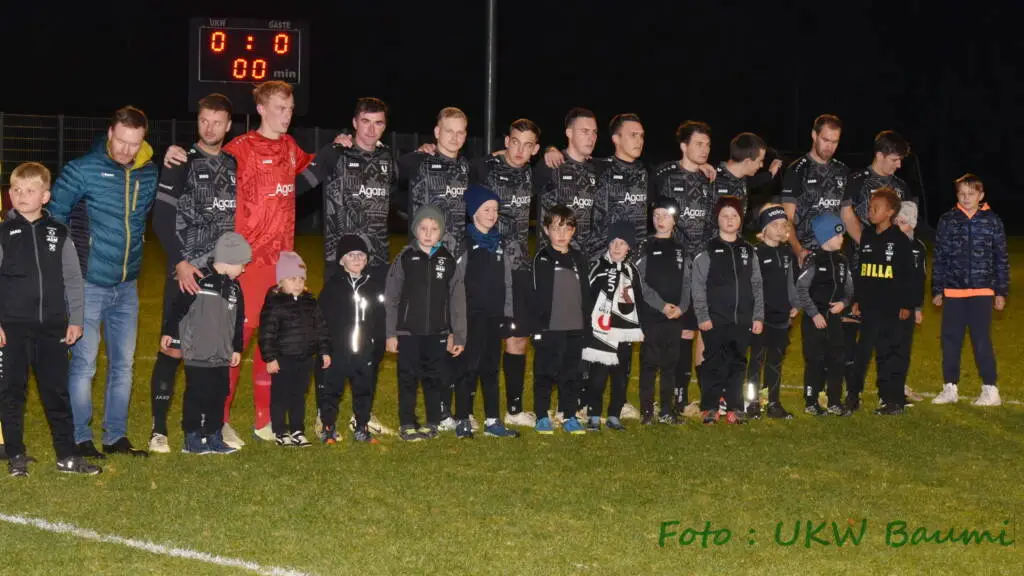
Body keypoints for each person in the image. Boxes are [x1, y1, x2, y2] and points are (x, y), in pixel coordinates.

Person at [165, 81, 319, 442]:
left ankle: (264, 419)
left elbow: (315, 168)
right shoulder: (240, 149)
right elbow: (205, 156)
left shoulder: (291, 148)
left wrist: (341, 144)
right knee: (234, 343)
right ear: (261, 109)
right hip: (247, 265)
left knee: (273, 342)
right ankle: (219, 419)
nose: (287, 114)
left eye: (290, 108)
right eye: (279, 107)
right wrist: (176, 152)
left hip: (281, 265)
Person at [49, 105, 159, 458]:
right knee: (84, 365)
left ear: (143, 140)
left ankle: (116, 438)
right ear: (110, 133)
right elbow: (53, 218)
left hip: (127, 286)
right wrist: (69, 264)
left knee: (123, 366)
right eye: (122, 141)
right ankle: (80, 438)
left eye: (135, 143)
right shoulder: (81, 170)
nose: (127, 150)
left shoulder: (148, 172)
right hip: (88, 284)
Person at [300, 97, 396, 437]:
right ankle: (323, 414)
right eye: (365, 121)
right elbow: (298, 184)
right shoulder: (335, 154)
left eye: (379, 123)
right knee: (332, 342)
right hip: (338, 264)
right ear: (354, 123)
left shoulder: (388, 158)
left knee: (372, 343)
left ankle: (362, 415)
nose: (371, 129)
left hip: (377, 265)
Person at [148, 93, 239, 453]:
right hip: (187, 273)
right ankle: (158, 430)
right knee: (173, 350)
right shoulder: (180, 161)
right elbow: (161, 218)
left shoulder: (235, 164)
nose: (210, 128)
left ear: (228, 125)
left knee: (213, 355)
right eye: (204, 120)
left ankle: (206, 429)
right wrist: (180, 262)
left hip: (221, 280)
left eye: (217, 122)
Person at [0, 162, 99, 476]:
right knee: (12, 392)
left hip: (53, 327)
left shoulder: (59, 232)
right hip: (12, 329)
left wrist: (76, 319)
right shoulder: (3, 233)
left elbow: (73, 278)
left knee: (56, 392)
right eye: (16, 189)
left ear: (45, 196)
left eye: (30, 190)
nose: (22, 195)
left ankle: (67, 455)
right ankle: (15, 455)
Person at [470, 119, 539, 431]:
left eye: (528, 145)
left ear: (535, 149)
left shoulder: (533, 172)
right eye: (516, 142)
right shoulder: (483, 168)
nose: (520, 150)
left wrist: (554, 150)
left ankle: (513, 409)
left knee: (518, 338)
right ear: (507, 141)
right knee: (478, 341)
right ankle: (466, 411)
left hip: (519, 267)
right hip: (487, 267)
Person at [837, 130, 915, 401]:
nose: (899, 165)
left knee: (889, 335)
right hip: (859, 265)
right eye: (895, 159)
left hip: (890, 275)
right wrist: (868, 243)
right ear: (880, 155)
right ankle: (850, 386)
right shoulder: (857, 180)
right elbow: (846, 213)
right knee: (852, 329)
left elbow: (909, 224)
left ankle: (891, 388)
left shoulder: (901, 187)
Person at [650, 120, 717, 418]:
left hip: (699, 270)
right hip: (670, 266)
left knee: (692, 331)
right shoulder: (664, 174)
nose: (705, 149)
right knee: (670, 332)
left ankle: (685, 396)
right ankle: (666, 396)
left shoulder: (710, 179)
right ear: (683, 146)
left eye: (708, 144)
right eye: (698, 144)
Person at [161, 232, 250, 454]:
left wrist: (237, 348)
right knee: (197, 394)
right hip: (198, 351)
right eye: (242, 264)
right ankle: (192, 438)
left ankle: (214, 436)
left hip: (222, 354)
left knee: (218, 395)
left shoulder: (235, 288)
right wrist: (168, 332)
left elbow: (238, 321)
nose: (244, 270)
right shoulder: (199, 279)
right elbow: (178, 308)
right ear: (229, 260)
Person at [385, 205, 467, 441]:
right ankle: (407, 424)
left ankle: (432, 423)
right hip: (408, 332)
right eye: (423, 228)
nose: (428, 233)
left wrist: (458, 334)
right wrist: (391, 333)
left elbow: (457, 300)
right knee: (408, 378)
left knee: (434, 379)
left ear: (441, 232)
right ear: (415, 230)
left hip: (437, 333)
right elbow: (391, 297)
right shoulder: (405, 257)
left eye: (434, 229)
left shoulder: (448, 260)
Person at [450, 185, 524, 439]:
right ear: (473, 213)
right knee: (467, 368)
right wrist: (455, 321)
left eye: (495, 210)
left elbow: (506, 281)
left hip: (494, 317)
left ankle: (493, 420)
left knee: (491, 368)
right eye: (486, 210)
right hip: (470, 317)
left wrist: (507, 313)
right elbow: (455, 284)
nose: (492, 215)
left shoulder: (500, 243)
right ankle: (462, 419)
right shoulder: (464, 243)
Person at [931, 174, 1009, 407]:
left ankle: (990, 389)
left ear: (981, 195)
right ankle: (950, 387)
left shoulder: (992, 221)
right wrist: (937, 289)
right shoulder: (948, 220)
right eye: (962, 194)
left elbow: (1001, 258)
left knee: (981, 339)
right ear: (957, 195)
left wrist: (1001, 291)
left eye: (971, 194)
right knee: (950, 340)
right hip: (953, 291)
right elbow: (940, 256)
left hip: (983, 290)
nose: (966, 198)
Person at [690, 197, 764, 425]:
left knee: (737, 363)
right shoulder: (708, 250)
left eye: (734, 216)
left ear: (740, 219)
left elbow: (757, 284)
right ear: (717, 219)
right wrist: (703, 316)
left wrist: (758, 315)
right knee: (713, 362)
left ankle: (735, 408)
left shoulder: (748, 250)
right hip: (715, 319)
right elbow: (698, 285)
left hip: (742, 319)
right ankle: (710, 407)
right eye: (725, 216)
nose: (730, 220)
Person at [850, 189, 916, 415]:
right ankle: (853, 396)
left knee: (888, 354)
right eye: (870, 208)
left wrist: (907, 304)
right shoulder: (867, 236)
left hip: (891, 310)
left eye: (875, 208)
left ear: (890, 212)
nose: (870, 212)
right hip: (870, 308)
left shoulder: (900, 241)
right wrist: (857, 299)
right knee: (862, 353)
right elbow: (862, 270)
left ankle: (891, 399)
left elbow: (909, 276)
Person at [258, 251, 332, 447]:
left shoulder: (310, 302)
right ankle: (280, 431)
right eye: (292, 279)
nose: (298, 283)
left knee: (299, 395)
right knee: (281, 396)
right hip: (283, 359)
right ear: (281, 281)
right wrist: (270, 358)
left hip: (305, 358)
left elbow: (321, 328)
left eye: (301, 279)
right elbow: (267, 333)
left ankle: (297, 430)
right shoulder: (274, 303)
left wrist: (324, 351)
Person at [530, 204, 592, 434]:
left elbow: (585, 293)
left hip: (575, 328)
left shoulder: (579, 258)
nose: (561, 234)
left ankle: (569, 415)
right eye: (556, 228)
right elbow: (536, 295)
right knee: (545, 373)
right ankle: (541, 415)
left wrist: (587, 325)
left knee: (571, 374)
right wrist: (538, 328)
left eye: (567, 228)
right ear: (546, 230)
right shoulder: (542, 258)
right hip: (550, 328)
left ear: (573, 230)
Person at [317, 235, 385, 444]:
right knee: (332, 390)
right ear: (341, 260)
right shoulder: (333, 287)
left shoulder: (373, 286)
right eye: (351, 255)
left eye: (361, 255)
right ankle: (328, 427)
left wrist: (377, 347)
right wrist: (325, 349)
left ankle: (361, 426)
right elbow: (321, 320)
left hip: (364, 351)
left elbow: (380, 319)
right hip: (338, 351)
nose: (357, 259)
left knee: (364, 389)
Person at [583, 221, 646, 432]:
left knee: (620, 377)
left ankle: (614, 414)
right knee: (597, 377)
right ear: (608, 244)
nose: (617, 247)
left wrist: (642, 327)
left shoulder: (631, 270)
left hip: (624, 333)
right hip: (601, 332)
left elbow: (639, 300)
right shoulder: (597, 267)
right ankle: (593, 414)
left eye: (622, 243)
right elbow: (586, 298)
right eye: (613, 242)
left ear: (629, 247)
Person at [634, 197, 688, 425]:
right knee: (649, 364)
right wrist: (661, 305)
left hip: (674, 318)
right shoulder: (645, 246)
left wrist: (681, 308)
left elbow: (687, 282)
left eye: (665, 215)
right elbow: (639, 282)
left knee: (670, 364)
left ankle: (667, 410)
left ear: (675, 220)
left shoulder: (681, 249)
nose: (660, 220)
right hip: (652, 316)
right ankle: (647, 410)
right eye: (656, 215)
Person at [745, 204, 800, 420]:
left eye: (783, 225)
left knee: (775, 362)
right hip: (760, 319)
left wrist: (794, 303)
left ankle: (774, 403)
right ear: (764, 229)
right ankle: (751, 403)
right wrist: (754, 314)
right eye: (775, 224)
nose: (780, 229)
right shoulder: (755, 253)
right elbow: (751, 286)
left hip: (781, 318)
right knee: (755, 362)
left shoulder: (787, 253)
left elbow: (791, 282)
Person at [796, 214, 853, 416]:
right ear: (826, 237)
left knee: (837, 359)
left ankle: (834, 401)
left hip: (834, 319)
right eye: (838, 235)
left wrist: (843, 303)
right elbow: (801, 288)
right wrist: (814, 314)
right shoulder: (813, 260)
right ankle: (811, 401)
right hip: (815, 320)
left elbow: (849, 289)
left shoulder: (843, 261)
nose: (842, 238)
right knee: (815, 360)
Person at [400, 107, 470, 257]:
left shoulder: (466, 167)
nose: (455, 137)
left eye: (460, 132)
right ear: (437, 132)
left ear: (465, 136)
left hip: (458, 256)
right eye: (449, 131)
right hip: (424, 256)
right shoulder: (417, 161)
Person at [781, 114, 849, 266]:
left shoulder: (842, 170)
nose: (829, 147)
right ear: (814, 135)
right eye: (825, 140)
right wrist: (799, 251)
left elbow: (847, 215)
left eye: (835, 142)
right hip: (803, 254)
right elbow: (787, 218)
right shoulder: (797, 170)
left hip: (833, 254)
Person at [534, 108, 600, 261]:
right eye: (585, 131)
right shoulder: (551, 164)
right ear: (569, 133)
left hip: (586, 260)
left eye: (594, 132)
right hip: (553, 259)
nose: (591, 137)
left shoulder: (596, 168)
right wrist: (548, 149)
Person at [896, 203, 926, 404]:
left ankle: (900, 386)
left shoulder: (919, 248)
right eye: (896, 221)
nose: (898, 226)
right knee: (889, 348)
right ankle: (888, 390)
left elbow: (920, 280)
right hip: (889, 306)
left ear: (912, 224)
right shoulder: (888, 244)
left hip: (909, 306)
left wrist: (918, 308)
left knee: (904, 348)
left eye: (903, 222)